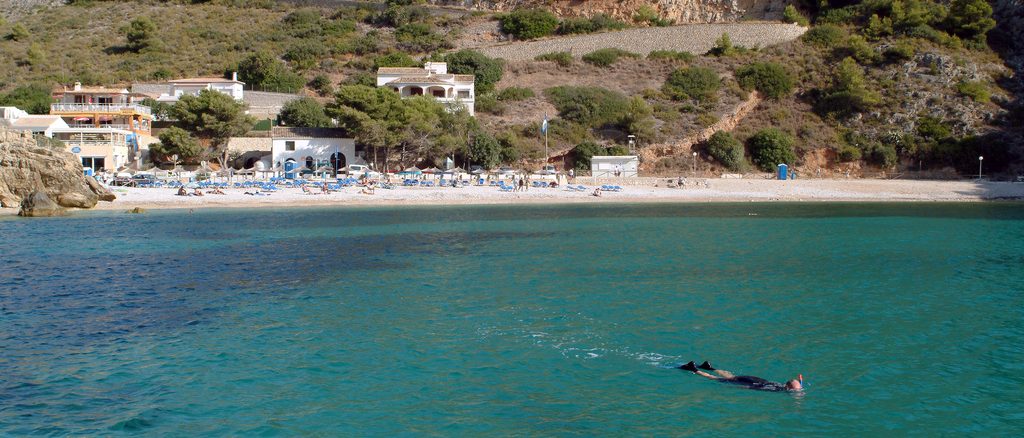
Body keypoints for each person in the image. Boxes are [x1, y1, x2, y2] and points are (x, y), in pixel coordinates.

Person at [679, 361, 802, 392]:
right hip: (751, 383)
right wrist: (738, 388)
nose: (798, 391)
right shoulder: (777, 389)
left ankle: (709, 367)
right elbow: (755, 388)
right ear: (788, 387)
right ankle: (693, 368)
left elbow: (795, 385)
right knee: (717, 380)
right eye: (796, 390)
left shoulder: (781, 385)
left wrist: (799, 381)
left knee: (732, 377)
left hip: (752, 378)